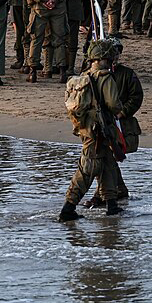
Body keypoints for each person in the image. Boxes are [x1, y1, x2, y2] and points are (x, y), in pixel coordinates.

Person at [59, 39, 128, 221]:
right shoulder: (104, 77)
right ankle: (68, 208)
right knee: (87, 169)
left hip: (88, 127)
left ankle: (112, 205)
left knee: (108, 165)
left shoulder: (83, 77)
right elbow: (113, 104)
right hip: (99, 129)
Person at [84, 35, 144, 208]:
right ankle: (118, 190)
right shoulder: (94, 74)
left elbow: (136, 97)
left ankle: (102, 194)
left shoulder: (127, 74)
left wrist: (122, 112)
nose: (114, 57)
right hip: (100, 124)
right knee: (105, 157)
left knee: (107, 158)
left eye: (117, 52)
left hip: (120, 125)